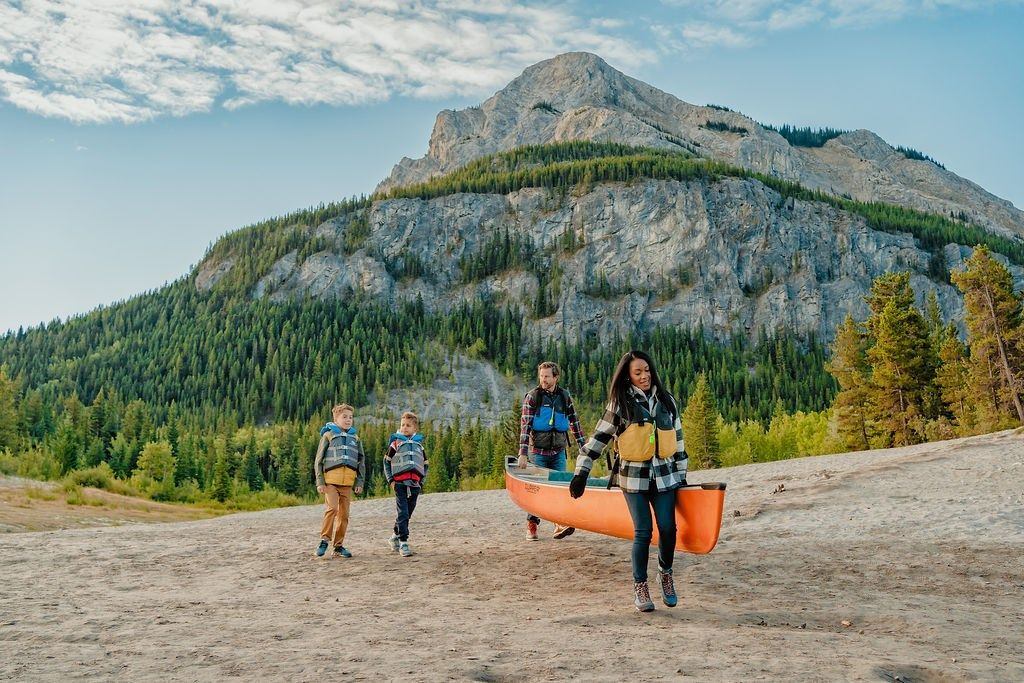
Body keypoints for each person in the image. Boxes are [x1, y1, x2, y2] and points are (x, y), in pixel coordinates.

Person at [569, 351, 688, 612]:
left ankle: (665, 573)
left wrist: (682, 475)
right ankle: (640, 585)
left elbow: (678, 441)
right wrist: (582, 473)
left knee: (668, 529)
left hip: (665, 476)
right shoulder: (619, 403)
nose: (644, 376)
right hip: (633, 479)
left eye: (646, 370)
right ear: (628, 376)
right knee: (643, 531)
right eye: (638, 372)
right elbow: (597, 440)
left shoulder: (667, 402)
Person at [517, 361, 586, 540]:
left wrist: (583, 447)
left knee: (560, 489)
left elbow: (574, 422)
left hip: (558, 452)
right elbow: (525, 426)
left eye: (547, 376)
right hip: (538, 452)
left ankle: (559, 524)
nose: (543, 380)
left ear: (556, 377)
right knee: (537, 491)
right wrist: (522, 453)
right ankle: (532, 524)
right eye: (541, 376)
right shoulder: (533, 397)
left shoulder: (564, 396)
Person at [313, 403, 366, 558]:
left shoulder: (355, 438)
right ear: (336, 419)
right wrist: (320, 481)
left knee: (344, 515)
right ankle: (324, 540)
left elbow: (361, 461)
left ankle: (338, 546)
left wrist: (359, 482)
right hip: (330, 482)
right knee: (332, 509)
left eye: (350, 417)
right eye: (344, 417)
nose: (348, 420)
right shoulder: (328, 435)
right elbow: (319, 460)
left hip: (347, 484)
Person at [383, 411, 428, 557]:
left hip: (414, 484)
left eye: (408, 425)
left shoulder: (419, 446)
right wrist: (391, 480)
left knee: (408, 513)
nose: (404, 428)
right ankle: (403, 542)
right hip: (400, 483)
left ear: (415, 429)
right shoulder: (395, 443)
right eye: (402, 425)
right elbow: (386, 462)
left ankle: (394, 536)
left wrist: (421, 481)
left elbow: (425, 464)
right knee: (402, 512)